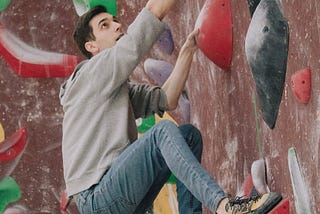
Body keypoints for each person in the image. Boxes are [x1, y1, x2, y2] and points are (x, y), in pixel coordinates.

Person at [59, 0, 282, 213]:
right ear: (92, 47)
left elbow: (166, 99)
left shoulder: (113, 91)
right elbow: (153, 12)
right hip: (97, 197)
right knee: (161, 133)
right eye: (105, 26)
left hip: (113, 194)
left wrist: (186, 52)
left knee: (188, 136)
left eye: (115, 20)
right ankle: (224, 206)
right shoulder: (89, 75)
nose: (117, 26)